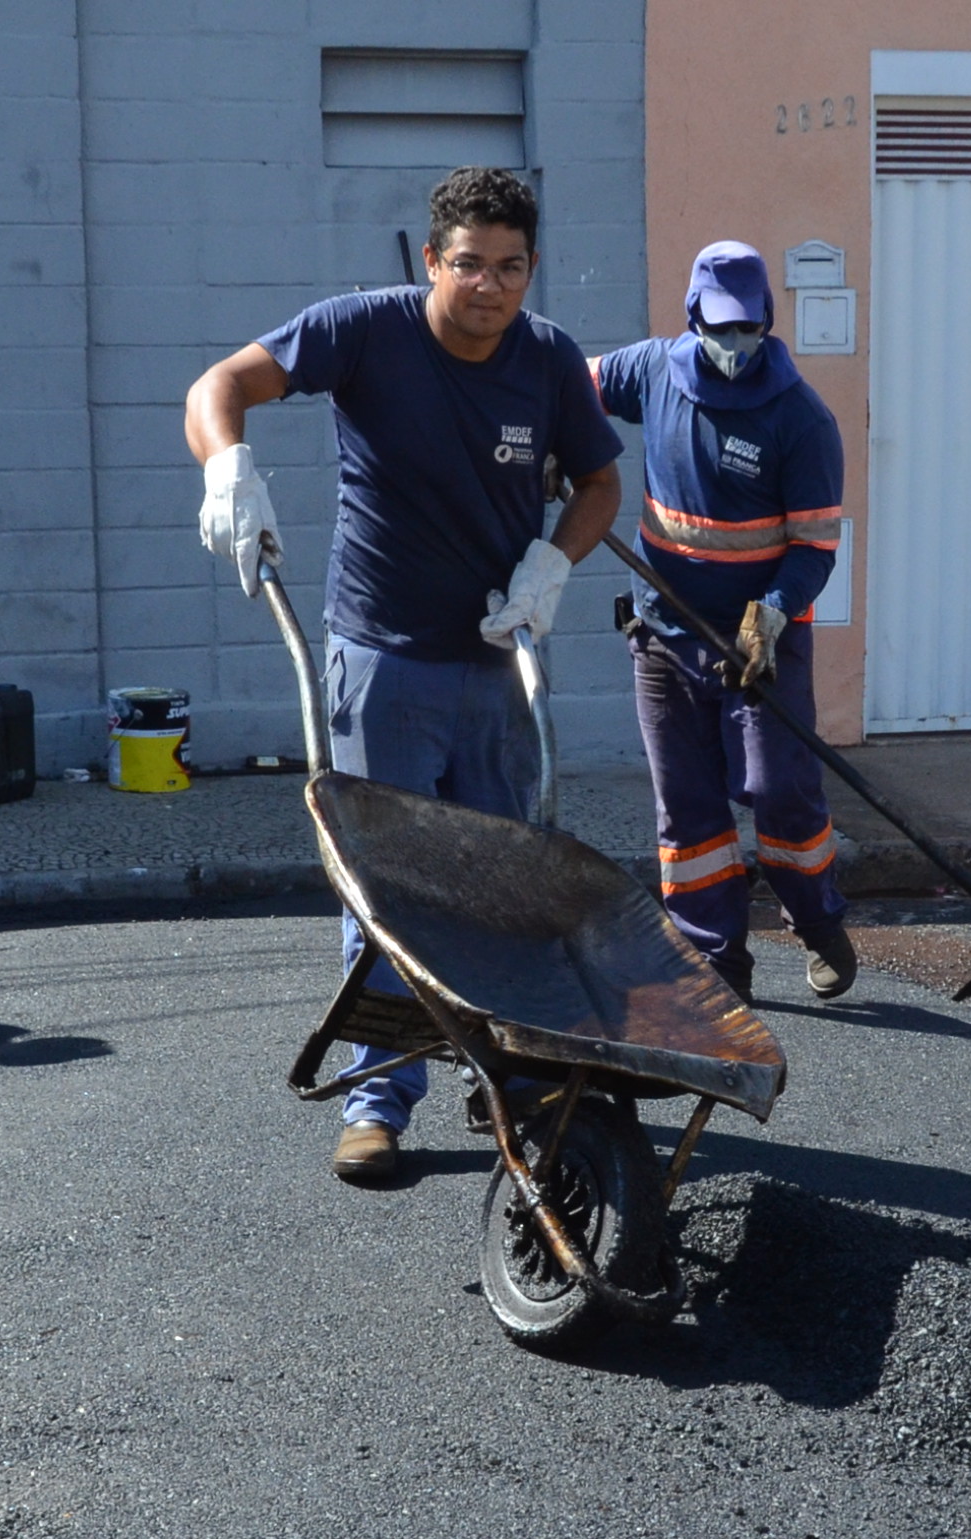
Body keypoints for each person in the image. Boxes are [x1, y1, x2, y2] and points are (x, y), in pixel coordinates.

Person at [183, 165, 624, 1185]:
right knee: (388, 891)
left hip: (499, 662)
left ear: (532, 268)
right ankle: (378, 1102)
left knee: (509, 884)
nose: (490, 288)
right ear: (434, 260)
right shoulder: (365, 331)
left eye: (511, 268)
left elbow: (600, 481)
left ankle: (511, 1075)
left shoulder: (549, 360)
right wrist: (227, 468)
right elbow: (223, 385)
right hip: (383, 664)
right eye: (469, 265)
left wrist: (555, 560)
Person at [594, 242, 855, 1003]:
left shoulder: (801, 419)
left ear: (767, 322)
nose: (733, 345)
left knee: (778, 790)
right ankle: (716, 959)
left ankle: (816, 919)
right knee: (690, 809)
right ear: (693, 319)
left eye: (747, 329)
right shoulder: (651, 371)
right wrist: (555, 447)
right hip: (664, 634)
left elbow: (813, 547)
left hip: (757, 643)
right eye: (719, 329)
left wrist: (773, 612)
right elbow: (565, 389)